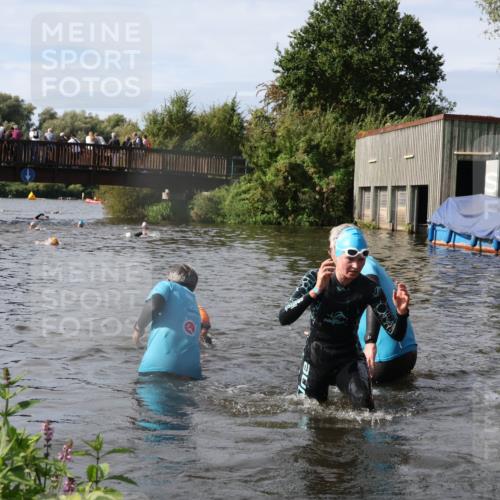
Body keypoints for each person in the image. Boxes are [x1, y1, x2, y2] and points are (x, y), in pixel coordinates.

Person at [278, 224, 410, 410]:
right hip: (316, 357)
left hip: (349, 358)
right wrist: (316, 291)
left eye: (361, 258)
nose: (356, 266)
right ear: (333, 253)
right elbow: (284, 317)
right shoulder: (313, 278)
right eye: (350, 258)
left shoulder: (370, 289)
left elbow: (396, 333)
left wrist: (402, 313)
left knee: (366, 409)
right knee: (308, 414)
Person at [132, 264, 203, 379]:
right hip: (192, 373)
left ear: (169, 279)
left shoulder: (166, 285)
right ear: (193, 287)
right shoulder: (194, 303)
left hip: (159, 367)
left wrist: (138, 329)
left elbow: (154, 306)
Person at [358, 256, 417, 383]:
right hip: (408, 353)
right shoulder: (370, 262)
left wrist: (370, 341)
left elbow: (372, 285)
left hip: (381, 359)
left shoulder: (362, 264)